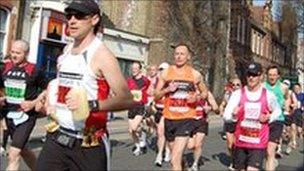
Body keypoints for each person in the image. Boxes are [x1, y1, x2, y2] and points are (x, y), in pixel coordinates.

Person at [35, 1, 133, 170]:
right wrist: (46, 96)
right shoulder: (66, 50)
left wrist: (90, 105)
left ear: (94, 19)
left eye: (79, 16)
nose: (72, 20)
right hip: (57, 136)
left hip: (89, 141)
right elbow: (63, 83)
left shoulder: (102, 55)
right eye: (69, 16)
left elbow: (126, 99)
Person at [155, 43, 207, 171]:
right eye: (177, 54)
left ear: (188, 57)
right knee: (176, 159)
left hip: (186, 119)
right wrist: (167, 89)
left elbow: (205, 93)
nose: (179, 57)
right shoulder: (166, 73)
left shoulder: (195, 75)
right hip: (169, 118)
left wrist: (197, 98)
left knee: (174, 159)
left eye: (182, 54)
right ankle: (183, 166)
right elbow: (156, 95)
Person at [224, 62, 281, 171]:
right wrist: (234, 116)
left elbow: (277, 111)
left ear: (260, 76)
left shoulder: (268, 94)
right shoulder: (238, 94)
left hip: (258, 143)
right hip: (241, 141)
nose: (251, 77)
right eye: (249, 74)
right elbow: (226, 116)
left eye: (254, 75)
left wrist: (269, 117)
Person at [0, 40, 48, 170]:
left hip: (26, 117)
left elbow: (47, 89)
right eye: (12, 52)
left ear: (26, 54)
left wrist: (33, 103)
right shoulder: (5, 67)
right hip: (9, 115)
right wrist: (1, 97)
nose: (14, 55)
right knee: (23, 149)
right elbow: (1, 88)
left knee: (13, 154)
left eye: (18, 53)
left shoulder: (34, 70)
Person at [264, 65, 290, 171]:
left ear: (278, 76)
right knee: (265, 149)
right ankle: (272, 161)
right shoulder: (262, 87)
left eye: (274, 75)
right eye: (270, 75)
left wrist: (286, 107)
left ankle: (270, 162)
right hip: (265, 120)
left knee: (270, 149)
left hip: (278, 120)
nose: (272, 77)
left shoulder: (283, 87)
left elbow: (287, 98)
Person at [187, 89, 218, 171]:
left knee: (198, 144)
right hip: (191, 121)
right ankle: (196, 155)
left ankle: (195, 164)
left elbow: (215, 107)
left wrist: (209, 108)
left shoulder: (206, 93)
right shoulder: (189, 90)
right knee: (190, 146)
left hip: (202, 121)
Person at [126, 61, 150, 156]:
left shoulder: (145, 80)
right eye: (133, 68)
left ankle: (142, 135)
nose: (134, 70)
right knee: (130, 130)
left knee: (134, 127)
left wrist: (148, 100)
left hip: (140, 107)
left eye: (136, 68)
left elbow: (150, 90)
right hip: (131, 107)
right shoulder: (129, 80)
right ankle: (138, 146)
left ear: (140, 70)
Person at [218, 77, 242, 170]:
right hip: (229, 121)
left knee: (237, 143)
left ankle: (236, 161)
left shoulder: (243, 95)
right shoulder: (228, 94)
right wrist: (221, 109)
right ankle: (233, 159)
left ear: (241, 86)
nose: (235, 86)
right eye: (233, 84)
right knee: (230, 144)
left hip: (239, 122)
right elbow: (223, 103)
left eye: (238, 85)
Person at [154, 62, 171, 167]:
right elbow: (153, 96)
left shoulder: (171, 84)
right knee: (160, 134)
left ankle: (161, 155)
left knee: (162, 133)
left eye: (163, 70)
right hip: (158, 110)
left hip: (168, 112)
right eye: (160, 69)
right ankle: (163, 152)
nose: (161, 72)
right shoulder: (157, 83)